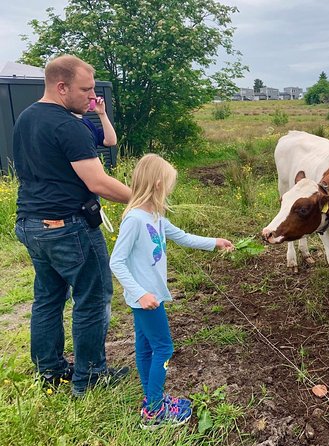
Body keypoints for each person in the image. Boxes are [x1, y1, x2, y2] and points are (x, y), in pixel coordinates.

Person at [12, 54, 132, 396]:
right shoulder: (67, 125)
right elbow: (99, 183)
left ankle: (48, 371)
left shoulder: (27, 118)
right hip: (67, 227)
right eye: (86, 89)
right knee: (93, 299)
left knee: (48, 298)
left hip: (32, 226)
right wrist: (144, 198)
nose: (91, 97)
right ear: (62, 87)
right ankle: (90, 375)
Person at [109, 153, 234, 429]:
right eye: (168, 184)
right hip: (146, 299)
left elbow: (184, 237)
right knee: (164, 348)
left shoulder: (156, 217)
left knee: (145, 348)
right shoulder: (135, 220)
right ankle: (154, 411)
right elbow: (115, 261)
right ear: (156, 183)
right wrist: (141, 294)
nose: (170, 189)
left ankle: (151, 399)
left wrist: (215, 242)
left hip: (150, 297)